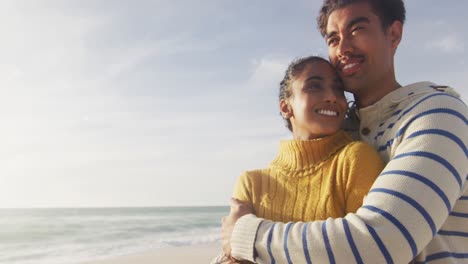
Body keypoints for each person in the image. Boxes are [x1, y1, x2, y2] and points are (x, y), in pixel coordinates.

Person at [221, 0, 468, 263]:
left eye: (357, 29)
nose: (343, 49)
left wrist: (246, 234)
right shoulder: (339, 132)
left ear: (393, 34)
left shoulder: (437, 114)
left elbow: (380, 243)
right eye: (333, 39)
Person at [211, 56, 384, 264]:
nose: (331, 97)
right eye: (314, 87)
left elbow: (366, 250)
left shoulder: (355, 159)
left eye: (338, 89)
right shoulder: (252, 183)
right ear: (285, 107)